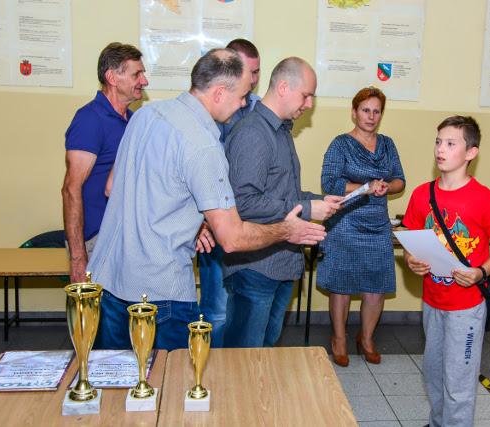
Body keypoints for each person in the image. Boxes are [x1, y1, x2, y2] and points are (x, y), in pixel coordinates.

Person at [87, 49, 326, 351]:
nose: (244, 104)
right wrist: (287, 230)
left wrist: (194, 221)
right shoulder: (204, 145)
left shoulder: (146, 115)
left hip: (109, 282)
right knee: (170, 379)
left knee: (115, 377)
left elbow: (115, 187)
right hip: (160, 295)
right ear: (219, 93)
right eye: (242, 96)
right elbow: (232, 239)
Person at [222, 57, 343, 348]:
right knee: (244, 357)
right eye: (306, 95)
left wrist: (318, 200)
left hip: (281, 264)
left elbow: (282, 192)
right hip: (255, 268)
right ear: (284, 87)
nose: (309, 104)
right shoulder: (253, 132)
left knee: (266, 353)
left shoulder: (280, 131)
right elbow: (244, 202)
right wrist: (309, 209)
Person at [402, 116, 490, 427]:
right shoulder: (422, 194)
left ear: (470, 153)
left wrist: (481, 272)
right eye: (438, 142)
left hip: (466, 307)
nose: (441, 149)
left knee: (459, 380)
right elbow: (411, 239)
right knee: (433, 373)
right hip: (432, 300)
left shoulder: (484, 199)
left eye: (451, 144)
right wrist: (411, 260)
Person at [317, 87, 405, 367]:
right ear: (354, 112)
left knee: (376, 286)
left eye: (376, 111)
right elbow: (330, 183)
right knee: (341, 286)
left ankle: (366, 338)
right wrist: (365, 187)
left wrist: (387, 186)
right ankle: (339, 339)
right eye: (365, 110)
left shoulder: (388, 144)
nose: (371, 116)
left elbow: (400, 180)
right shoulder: (340, 144)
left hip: (378, 224)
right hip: (345, 222)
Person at [61, 42, 148, 283]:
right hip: (95, 242)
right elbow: (70, 189)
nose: (144, 81)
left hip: (124, 240)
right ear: (112, 77)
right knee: (94, 310)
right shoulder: (90, 119)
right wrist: (78, 257)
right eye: (136, 74)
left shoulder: (132, 120)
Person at [198, 39, 261, 347]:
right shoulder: (208, 112)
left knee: (245, 309)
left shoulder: (259, 108)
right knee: (217, 309)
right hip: (215, 221)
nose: (253, 80)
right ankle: (207, 367)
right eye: (248, 72)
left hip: (248, 223)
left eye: (257, 72)